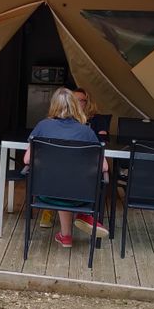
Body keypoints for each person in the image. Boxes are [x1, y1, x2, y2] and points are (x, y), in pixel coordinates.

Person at [24, 87, 108, 248]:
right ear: (76, 106)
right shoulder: (86, 132)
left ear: (54, 105)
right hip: (78, 196)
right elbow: (103, 167)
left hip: (46, 193)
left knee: (60, 181)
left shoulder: (42, 126)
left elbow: (27, 159)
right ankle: (84, 215)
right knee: (71, 182)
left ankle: (66, 236)